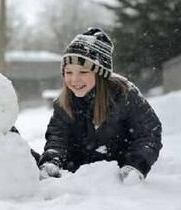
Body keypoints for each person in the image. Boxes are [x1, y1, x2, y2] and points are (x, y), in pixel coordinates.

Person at [38, 28, 162, 184]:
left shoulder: (125, 95)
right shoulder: (64, 103)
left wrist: (136, 165)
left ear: (100, 73)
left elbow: (149, 134)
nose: (74, 79)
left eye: (83, 72)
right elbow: (57, 137)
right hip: (77, 178)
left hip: (115, 180)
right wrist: (52, 160)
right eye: (68, 72)